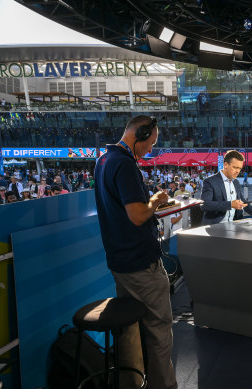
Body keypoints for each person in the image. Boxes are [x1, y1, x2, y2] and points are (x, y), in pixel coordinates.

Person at [94, 115, 178, 389]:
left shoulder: (104, 160)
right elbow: (138, 215)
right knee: (158, 332)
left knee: (133, 332)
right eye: (151, 142)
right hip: (141, 265)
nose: (150, 150)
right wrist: (155, 199)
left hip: (121, 263)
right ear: (140, 134)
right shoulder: (125, 164)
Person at [200, 150, 252, 225]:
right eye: (235, 167)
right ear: (226, 165)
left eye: (239, 168)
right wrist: (230, 204)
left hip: (235, 225)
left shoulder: (236, 182)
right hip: (215, 226)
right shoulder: (210, 181)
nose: (237, 171)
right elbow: (205, 205)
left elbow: (243, 203)